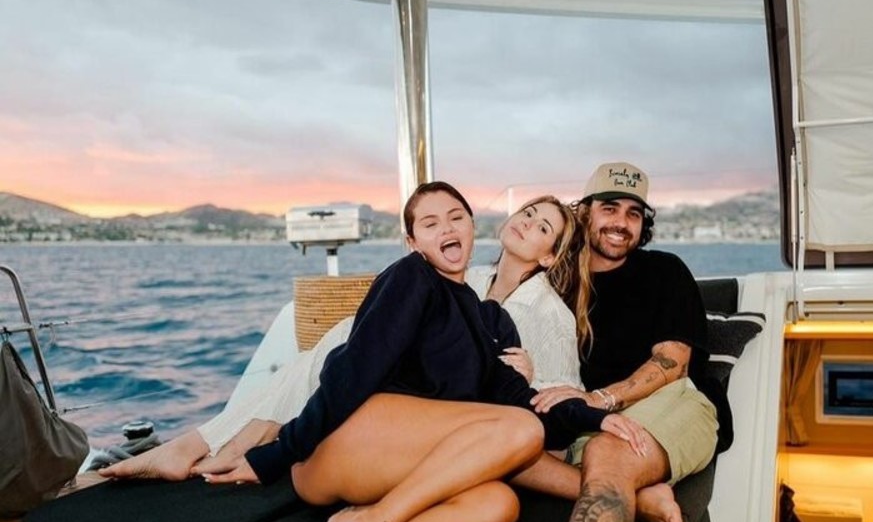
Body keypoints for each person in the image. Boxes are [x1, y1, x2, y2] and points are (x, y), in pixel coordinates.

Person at [210, 181, 651, 522]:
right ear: (412, 241)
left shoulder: (492, 321)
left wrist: (594, 416)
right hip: (337, 448)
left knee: (497, 505)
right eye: (430, 222)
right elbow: (352, 373)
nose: (447, 228)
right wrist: (273, 456)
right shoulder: (412, 277)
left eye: (456, 217)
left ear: (472, 228)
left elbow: (523, 401)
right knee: (518, 430)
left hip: (392, 467)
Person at [424, 160, 719, 522]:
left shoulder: (664, 270)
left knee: (608, 451)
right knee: (498, 445)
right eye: (609, 208)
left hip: (671, 401)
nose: (621, 223)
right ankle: (640, 498)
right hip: (582, 419)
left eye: (633, 214)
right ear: (585, 213)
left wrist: (600, 400)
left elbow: (673, 361)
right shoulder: (558, 282)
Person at [100, 193, 586, 483]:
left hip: (457, 424)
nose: (527, 222)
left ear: (550, 255)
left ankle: (230, 441)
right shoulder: (469, 278)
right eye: (527, 212)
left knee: (346, 353)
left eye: (542, 226)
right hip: (412, 398)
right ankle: (225, 440)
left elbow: (561, 397)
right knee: (341, 344)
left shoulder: (552, 316)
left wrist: (534, 376)